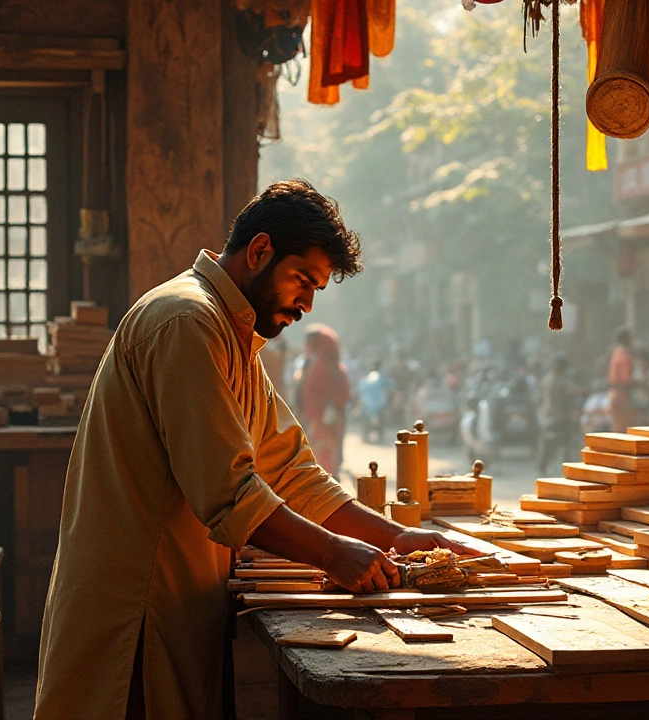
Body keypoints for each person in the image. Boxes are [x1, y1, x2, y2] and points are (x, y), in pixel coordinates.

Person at [34, 180, 468, 720]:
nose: (306, 304)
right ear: (259, 251)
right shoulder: (186, 322)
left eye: (316, 290)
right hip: (135, 608)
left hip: (176, 599)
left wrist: (397, 535)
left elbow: (291, 472)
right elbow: (231, 494)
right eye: (302, 280)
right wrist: (333, 554)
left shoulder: (229, 334)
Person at [298, 324, 349, 477]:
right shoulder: (333, 366)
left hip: (321, 418)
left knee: (324, 454)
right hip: (328, 417)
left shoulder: (320, 366)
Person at [536, 354, 575, 475]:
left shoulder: (548, 379)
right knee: (560, 442)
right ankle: (561, 467)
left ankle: (545, 465)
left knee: (550, 443)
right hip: (557, 417)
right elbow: (567, 396)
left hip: (548, 416)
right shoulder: (560, 381)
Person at [606, 327, 635, 433]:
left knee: (618, 425)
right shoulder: (624, 355)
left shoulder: (615, 353)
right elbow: (625, 379)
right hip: (621, 395)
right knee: (622, 427)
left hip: (614, 393)